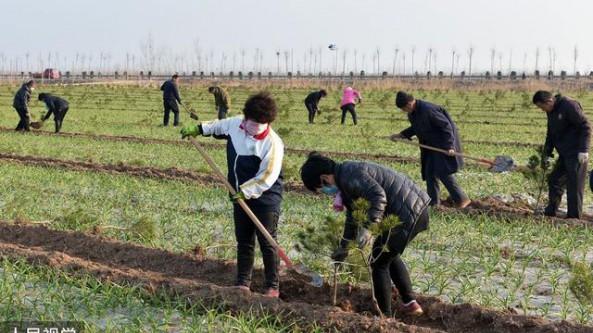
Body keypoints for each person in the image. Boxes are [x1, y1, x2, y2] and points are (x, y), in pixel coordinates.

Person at [300, 152, 430, 318]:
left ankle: (384, 317)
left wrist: (369, 227)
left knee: (378, 264)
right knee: (388, 256)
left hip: (408, 213)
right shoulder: (345, 176)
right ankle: (410, 302)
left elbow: (378, 196)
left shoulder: (350, 176)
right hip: (412, 210)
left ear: (324, 177)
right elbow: (353, 217)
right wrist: (344, 247)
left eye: (321, 188)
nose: (325, 192)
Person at [181, 92, 284, 298]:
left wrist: (245, 192)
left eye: (258, 123)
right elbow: (217, 126)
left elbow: (267, 177)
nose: (252, 126)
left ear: (267, 122)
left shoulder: (273, 143)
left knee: (267, 241)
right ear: (246, 116)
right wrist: (199, 129)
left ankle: (272, 286)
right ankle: (243, 283)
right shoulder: (237, 124)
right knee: (244, 240)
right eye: (250, 120)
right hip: (237, 194)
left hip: (264, 199)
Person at [390, 91, 470, 208]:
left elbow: (446, 127)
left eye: (403, 108)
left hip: (442, 144)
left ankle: (462, 199)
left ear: (408, 104)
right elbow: (415, 128)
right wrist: (401, 134)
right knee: (429, 173)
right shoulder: (413, 113)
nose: (404, 111)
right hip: (430, 145)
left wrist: (449, 146)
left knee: (442, 171)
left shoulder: (429, 111)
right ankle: (434, 203)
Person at [533, 90, 591, 219]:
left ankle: (574, 218)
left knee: (574, 186)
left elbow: (585, 126)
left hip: (577, 154)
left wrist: (584, 150)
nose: (542, 110)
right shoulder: (551, 111)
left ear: (549, 101)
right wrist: (546, 153)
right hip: (564, 154)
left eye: (542, 107)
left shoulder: (569, 105)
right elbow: (550, 133)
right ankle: (551, 211)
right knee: (554, 179)